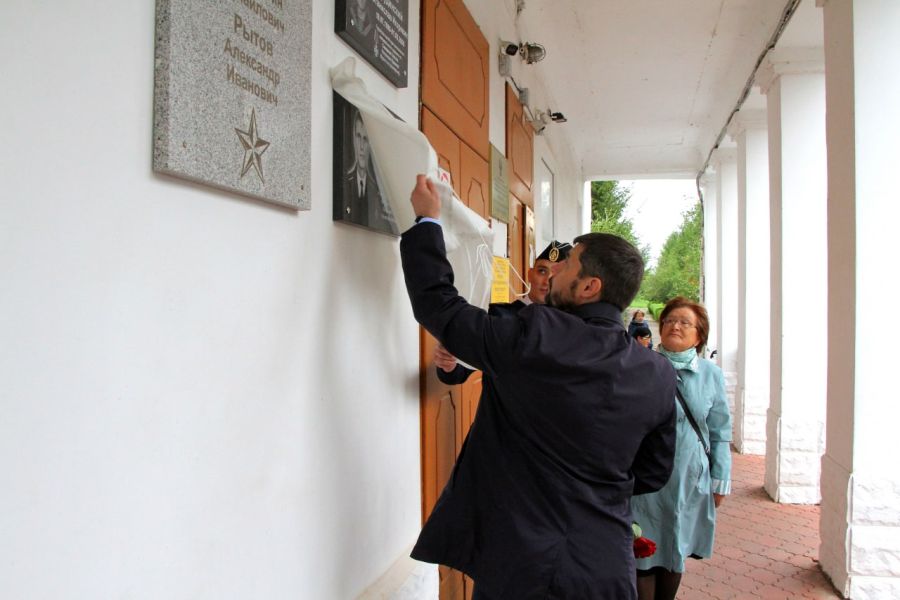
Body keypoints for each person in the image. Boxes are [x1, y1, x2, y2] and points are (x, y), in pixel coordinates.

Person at [401, 175, 677, 599]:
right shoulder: (656, 373)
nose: (552, 274)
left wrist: (427, 221)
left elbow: (440, 306)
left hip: (521, 560)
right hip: (604, 564)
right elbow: (653, 472)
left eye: (567, 265)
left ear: (590, 287)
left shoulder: (537, 335)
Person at [630, 296, 733, 600]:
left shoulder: (711, 375)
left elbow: (719, 431)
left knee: (676, 548)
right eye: (670, 320)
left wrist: (720, 478)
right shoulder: (640, 367)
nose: (675, 326)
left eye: (685, 322)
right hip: (646, 479)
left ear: (699, 335)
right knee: (643, 551)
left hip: (690, 478)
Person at [434, 240, 573, 384]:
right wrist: (449, 364)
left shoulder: (573, 324)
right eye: (542, 271)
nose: (547, 281)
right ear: (530, 274)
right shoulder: (499, 316)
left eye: (556, 274)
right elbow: (461, 370)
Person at [343, 110, 397, 234]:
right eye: (358, 137)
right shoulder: (346, 182)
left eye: (365, 139)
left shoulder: (376, 191)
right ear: (353, 140)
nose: (361, 146)